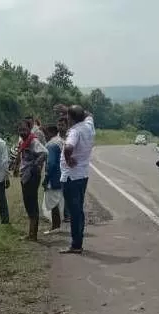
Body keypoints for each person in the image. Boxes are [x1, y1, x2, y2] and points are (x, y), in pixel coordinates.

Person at [58, 104, 95, 254]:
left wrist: (68, 159)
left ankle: (76, 245)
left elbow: (68, 148)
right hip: (82, 175)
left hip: (71, 176)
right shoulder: (88, 125)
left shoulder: (75, 131)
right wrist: (70, 110)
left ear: (71, 118)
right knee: (78, 210)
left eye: (68, 116)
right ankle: (78, 242)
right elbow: (89, 114)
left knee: (74, 211)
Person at [16, 120, 48, 241]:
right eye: (20, 130)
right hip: (25, 175)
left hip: (32, 176)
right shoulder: (22, 141)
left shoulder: (33, 141)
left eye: (24, 129)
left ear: (29, 129)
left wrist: (35, 165)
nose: (22, 132)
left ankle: (33, 234)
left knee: (32, 203)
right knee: (28, 203)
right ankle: (31, 233)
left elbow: (45, 153)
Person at [42, 124, 65, 234]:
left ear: (50, 133)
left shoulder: (51, 145)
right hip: (62, 175)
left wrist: (46, 178)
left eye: (45, 133)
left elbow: (50, 163)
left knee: (53, 202)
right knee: (58, 200)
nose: (44, 136)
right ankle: (57, 224)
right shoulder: (61, 141)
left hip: (54, 177)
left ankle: (55, 226)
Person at [57, 116, 72, 223]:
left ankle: (67, 214)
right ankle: (58, 215)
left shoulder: (71, 138)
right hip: (57, 168)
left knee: (67, 193)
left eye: (62, 125)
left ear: (67, 126)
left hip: (68, 170)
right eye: (59, 125)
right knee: (57, 192)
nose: (60, 127)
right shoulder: (55, 139)